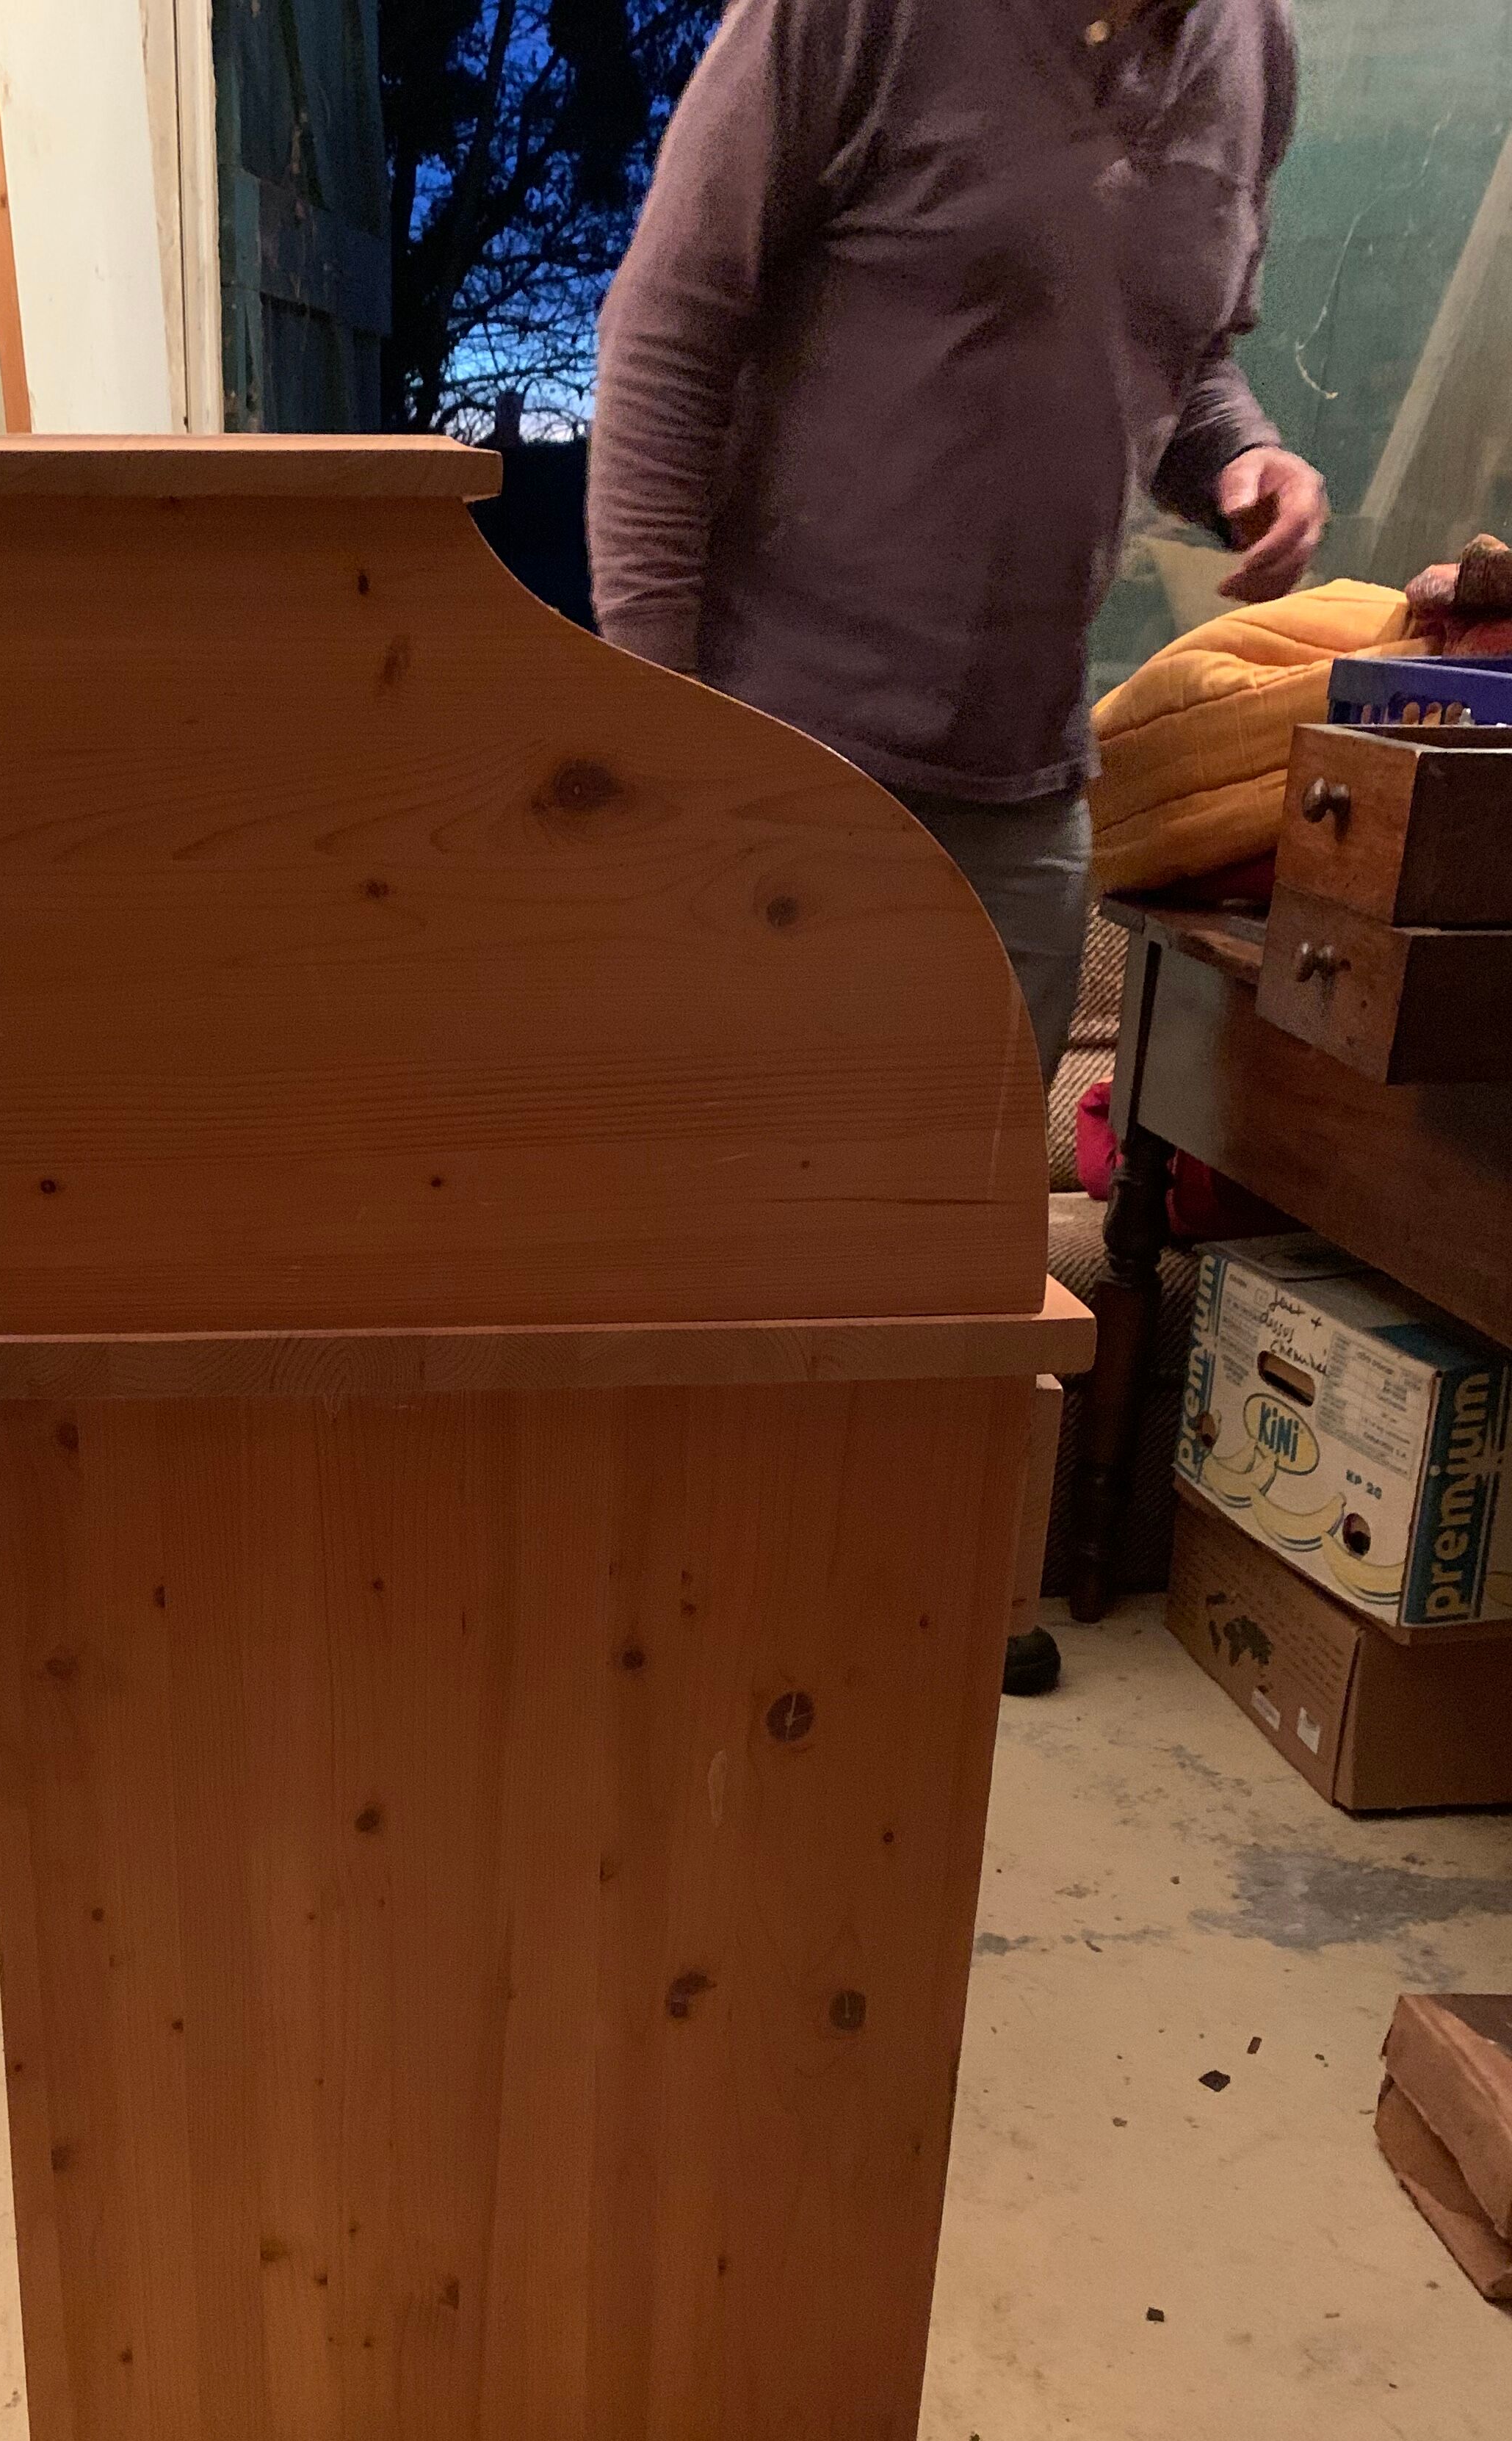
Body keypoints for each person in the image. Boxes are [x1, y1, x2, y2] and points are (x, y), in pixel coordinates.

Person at [587, 0, 1327, 1692]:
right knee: (721, 1239)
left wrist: (1243, 458)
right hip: (776, 756)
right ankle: (672, 1640)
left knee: (947, 1265)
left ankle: (884, 1646)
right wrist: (659, 739)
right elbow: (665, 338)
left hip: (1025, 793)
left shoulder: (1253, 52)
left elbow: (1188, 345)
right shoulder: (852, 19)